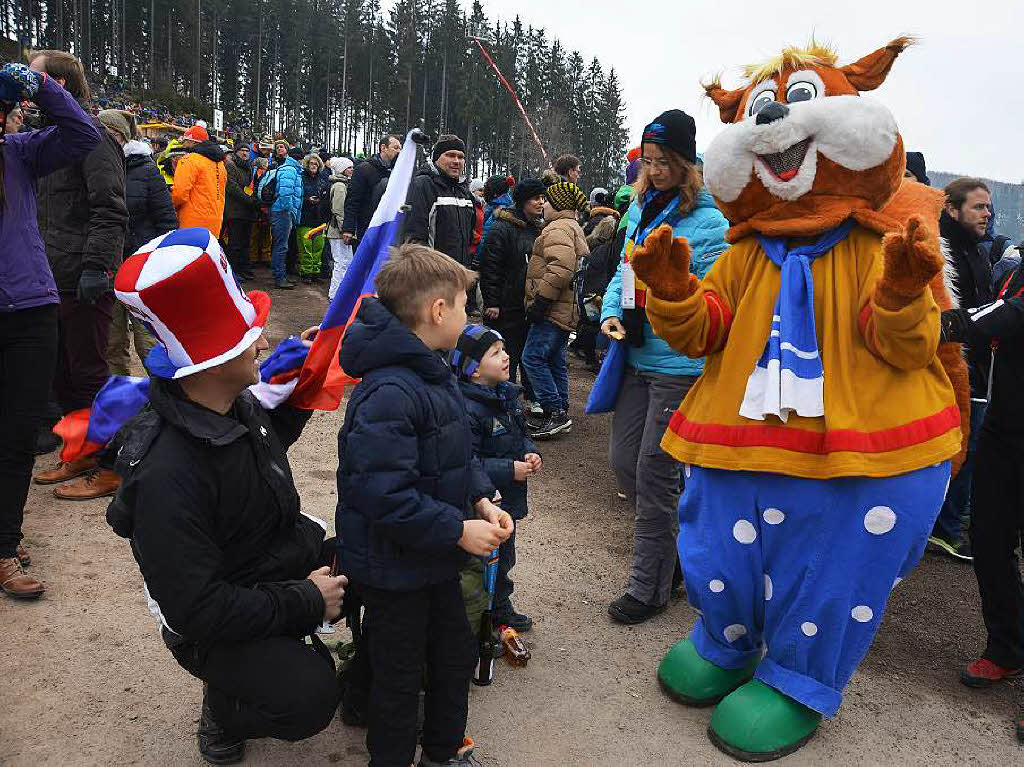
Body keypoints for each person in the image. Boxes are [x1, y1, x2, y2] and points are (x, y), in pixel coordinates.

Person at [106, 230, 345, 763]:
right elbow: (197, 609)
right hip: (212, 617)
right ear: (213, 359)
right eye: (250, 336)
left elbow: (257, 446)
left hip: (262, 561)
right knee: (310, 696)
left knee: (377, 557)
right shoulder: (166, 474)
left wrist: (302, 386)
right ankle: (226, 708)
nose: (263, 341)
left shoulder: (229, 404)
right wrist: (305, 599)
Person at [335, 244, 512, 767]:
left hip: (433, 557)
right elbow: (380, 493)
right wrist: (457, 530)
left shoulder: (433, 372)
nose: (467, 315)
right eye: (463, 305)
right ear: (438, 311)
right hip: (395, 568)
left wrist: (479, 497)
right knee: (399, 674)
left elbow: (455, 451)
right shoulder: (390, 389)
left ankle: (444, 748)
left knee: (453, 655)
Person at [600, 110, 728, 625]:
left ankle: (650, 587)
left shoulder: (710, 223)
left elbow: (714, 297)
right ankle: (671, 556)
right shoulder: (639, 210)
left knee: (655, 471)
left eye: (662, 162)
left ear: (685, 163)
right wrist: (611, 311)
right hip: (633, 354)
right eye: (646, 162)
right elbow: (621, 273)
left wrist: (669, 295)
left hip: (679, 364)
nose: (651, 171)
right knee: (624, 462)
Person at [0, 62, 101, 599]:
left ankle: (4, 546)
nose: (17, 115)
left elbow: (83, 133)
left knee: (16, 440)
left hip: (32, 309)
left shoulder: (17, 154)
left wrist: (42, 87)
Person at [29, 50, 129, 501]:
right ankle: (79, 451)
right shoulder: (46, 139)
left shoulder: (92, 139)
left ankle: (110, 464)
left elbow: (110, 209)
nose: (26, 93)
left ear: (59, 87)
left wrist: (97, 267)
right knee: (62, 374)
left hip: (82, 276)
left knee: (91, 372)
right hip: (48, 277)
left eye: (35, 81)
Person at [938, 261, 1024, 699]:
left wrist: (944, 322)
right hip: (1004, 430)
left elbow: (1010, 314)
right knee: (989, 542)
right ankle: (1007, 648)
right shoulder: (1018, 265)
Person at [454, 324, 542, 632]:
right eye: (496, 353)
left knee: (505, 559)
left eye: (504, 350)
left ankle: (500, 607)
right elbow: (468, 463)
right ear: (474, 371)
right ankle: (478, 611)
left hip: (509, 504)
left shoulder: (507, 396)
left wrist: (530, 452)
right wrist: (510, 469)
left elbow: (521, 436)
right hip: (483, 505)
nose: (506, 357)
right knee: (479, 563)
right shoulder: (467, 410)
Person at [930, 178, 997, 561]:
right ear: (952, 210)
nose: (987, 214)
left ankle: (951, 521)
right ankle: (944, 528)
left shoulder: (977, 250)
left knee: (971, 447)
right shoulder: (945, 250)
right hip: (956, 367)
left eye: (988, 207)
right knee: (960, 447)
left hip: (981, 368)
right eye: (978, 207)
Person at [104, 114, 176, 376]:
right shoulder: (95, 167)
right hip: (107, 265)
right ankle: (119, 394)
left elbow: (167, 220)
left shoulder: (147, 172)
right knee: (112, 338)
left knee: (149, 339)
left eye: (110, 133)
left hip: (141, 268)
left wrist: (159, 262)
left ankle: (164, 396)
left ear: (123, 136)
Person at [521, 181, 590, 439]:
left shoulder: (557, 229)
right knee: (555, 360)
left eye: (547, 201)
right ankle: (560, 409)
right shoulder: (573, 227)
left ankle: (553, 411)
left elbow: (561, 268)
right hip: (567, 311)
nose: (543, 206)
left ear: (559, 205)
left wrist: (541, 302)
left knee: (532, 358)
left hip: (553, 310)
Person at [479, 177, 546, 403]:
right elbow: (490, 267)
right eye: (536, 198)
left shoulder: (536, 229)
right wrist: (492, 302)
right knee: (507, 355)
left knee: (525, 354)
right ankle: (500, 400)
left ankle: (530, 398)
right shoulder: (502, 228)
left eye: (543, 198)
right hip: (505, 305)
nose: (540, 203)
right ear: (523, 201)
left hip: (526, 305)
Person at [406, 134, 477, 268]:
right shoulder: (423, 185)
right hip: (434, 276)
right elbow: (414, 237)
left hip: (459, 275)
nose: (456, 161)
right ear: (436, 159)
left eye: (461, 157)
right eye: (450, 155)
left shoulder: (465, 193)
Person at [259, 139, 303, 290]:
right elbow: (285, 194)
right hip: (282, 212)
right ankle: (280, 277)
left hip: (279, 211)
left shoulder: (288, 168)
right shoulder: (290, 170)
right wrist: (289, 212)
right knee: (281, 245)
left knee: (280, 244)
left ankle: (279, 273)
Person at [343, 134, 401, 246]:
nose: (399, 152)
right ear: (383, 148)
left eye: (400, 148)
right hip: (367, 227)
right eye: (395, 148)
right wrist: (348, 229)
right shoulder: (364, 169)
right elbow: (353, 200)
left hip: (389, 228)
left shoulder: (397, 172)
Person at [170, 125, 227, 237]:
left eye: (185, 141)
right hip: (215, 222)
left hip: (191, 223)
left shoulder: (189, 160)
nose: (183, 145)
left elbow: (179, 194)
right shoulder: (220, 164)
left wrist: (168, 207)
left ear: (193, 142)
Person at [223, 143, 259, 280]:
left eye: (247, 151)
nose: (245, 153)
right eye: (242, 151)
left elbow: (250, 186)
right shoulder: (231, 166)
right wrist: (248, 200)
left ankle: (244, 268)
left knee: (245, 242)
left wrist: (253, 199)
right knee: (235, 243)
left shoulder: (249, 167)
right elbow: (232, 187)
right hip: (235, 211)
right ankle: (234, 271)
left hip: (247, 211)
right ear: (236, 152)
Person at [297, 153, 329, 284]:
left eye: (316, 164)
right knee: (305, 247)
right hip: (305, 217)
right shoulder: (301, 178)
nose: (313, 166)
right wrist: (307, 200)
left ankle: (316, 271)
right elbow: (297, 196)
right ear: (307, 164)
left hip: (320, 218)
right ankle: (306, 272)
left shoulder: (323, 178)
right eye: (311, 163)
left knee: (318, 246)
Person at [326, 155, 354, 301]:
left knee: (346, 262)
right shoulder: (340, 186)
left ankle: (340, 293)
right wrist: (346, 229)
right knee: (341, 263)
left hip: (338, 230)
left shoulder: (341, 184)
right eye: (349, 167)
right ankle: (335, 294)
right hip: (338, 232)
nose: (351, 170)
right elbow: (339, 210)